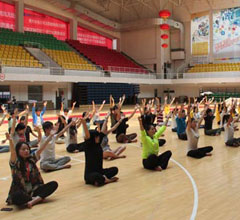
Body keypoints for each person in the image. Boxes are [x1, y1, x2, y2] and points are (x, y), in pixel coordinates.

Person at [5, 130, 58, 208]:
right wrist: (10, 141)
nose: (26, 151)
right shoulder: (15, 163)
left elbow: (42, 147)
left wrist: (50, 136)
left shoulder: (31, 159)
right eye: (23, 149)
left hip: (34, 189)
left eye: (27, 149)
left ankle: (33, 201)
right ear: (18, 151)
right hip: (22, 191)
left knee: (54, 184)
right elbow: (13, 153)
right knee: (16, 196)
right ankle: (37, 198)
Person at [82, 118, 119, 186]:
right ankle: (105, 180)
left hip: (100, 171)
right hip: (90, 174)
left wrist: (106, 120)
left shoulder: (98, 142)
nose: (98, 138)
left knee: (115, 169)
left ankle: (101, 180)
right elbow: (87, 135)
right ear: (93, 138)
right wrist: (84, 123)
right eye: (96, 137)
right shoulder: (88, 146)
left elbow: (102, 130)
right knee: (96, 176)